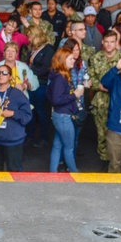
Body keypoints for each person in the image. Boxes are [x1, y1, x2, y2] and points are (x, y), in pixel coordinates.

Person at [0, 64, 32, 171]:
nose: (1, 75)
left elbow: (27, 116)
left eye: (4, 73)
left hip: (14, 141)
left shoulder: (17, 94)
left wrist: (13, 113)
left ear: (10, 76)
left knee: (14, 171)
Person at [88, 31, 121, 163]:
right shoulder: (95, 58)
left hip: (120, 101)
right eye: (106, 42)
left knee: (120, 134)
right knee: (102, 133)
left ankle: (118, 161)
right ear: (102, 42)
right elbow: (90, 78)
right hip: (101, 101)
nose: (109, 45)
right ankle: (104, 160)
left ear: (116, 43)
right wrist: (99, 86)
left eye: (112, 42)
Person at [47, 45, 81, 173]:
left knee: (57, 145)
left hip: (58, 115)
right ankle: (74, 173)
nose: (74, 60)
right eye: (71, 58)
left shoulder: (57, 75)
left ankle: (53, 173)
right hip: (63, 116)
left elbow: (49, 94)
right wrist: (75, 95)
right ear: (63, 60)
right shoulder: (61, 78)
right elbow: (57, 99)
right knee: (69, 148)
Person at [26, 25, 55, 147]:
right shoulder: (32, 48)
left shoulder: (48, 49)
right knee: (31, 110)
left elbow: (46, 68)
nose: (28, 38)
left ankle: (44, 137)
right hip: (31, 84)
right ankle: (30, 136)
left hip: (42, 85)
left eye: (30, 35)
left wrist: (29, 70)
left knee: (41, 112)